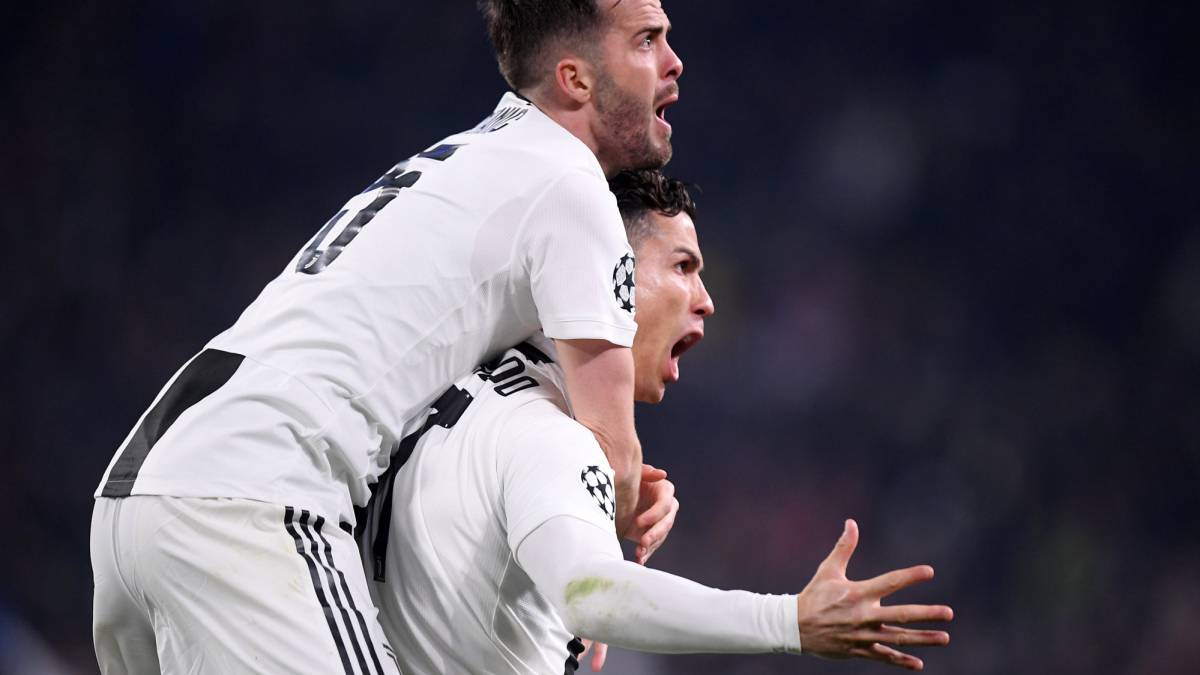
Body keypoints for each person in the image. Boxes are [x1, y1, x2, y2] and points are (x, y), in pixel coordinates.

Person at [90, 1, 685, 672]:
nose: (673, 61)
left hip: (139, 491)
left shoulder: (472, 159)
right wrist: (603, 549)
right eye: (647, 41)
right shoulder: (571, 187)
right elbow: (611, 450)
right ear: (574, 79)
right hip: (254, 494)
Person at [366, 170, 954, 674]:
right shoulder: (544, 431)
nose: (706, 299)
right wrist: (789, 620)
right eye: (682, 266)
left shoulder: (461, 390)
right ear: (607, 272)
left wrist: (594, 514)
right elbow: (586, 594)